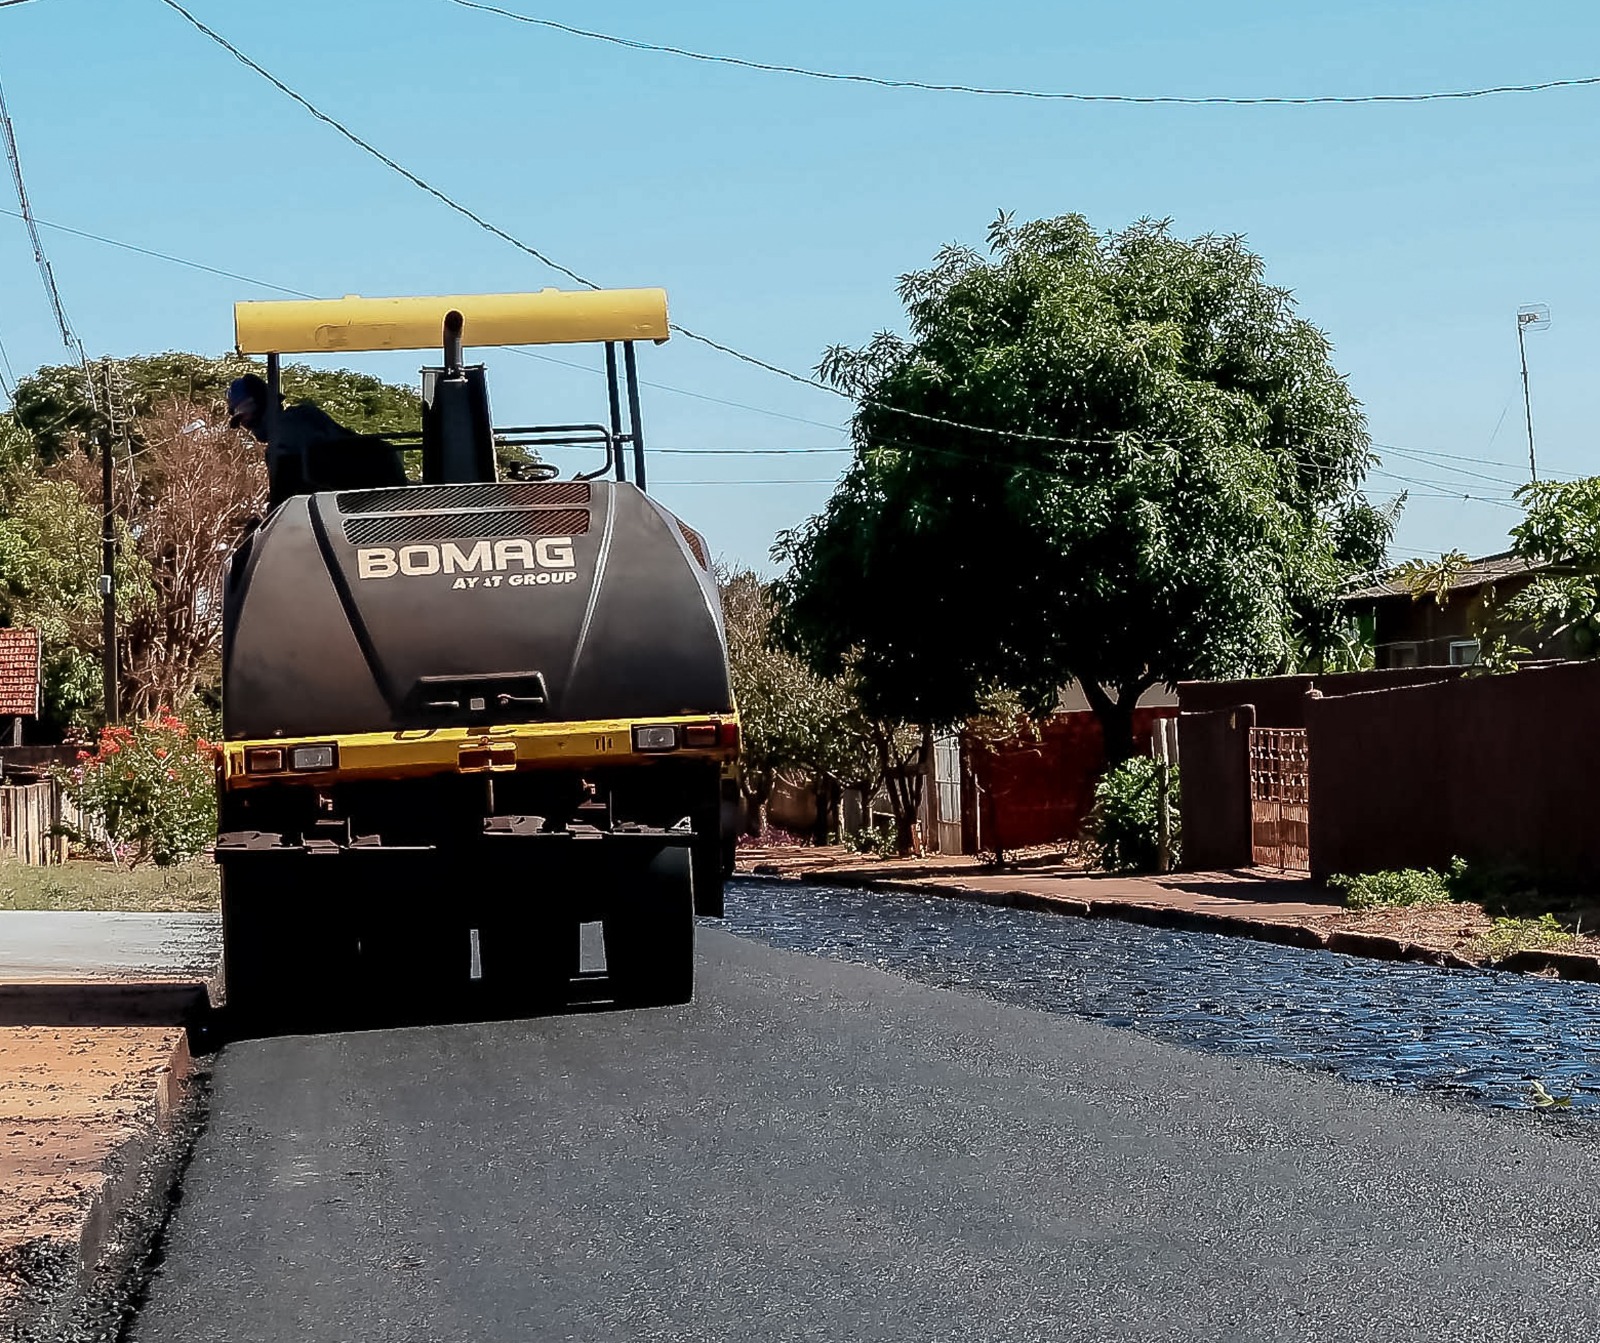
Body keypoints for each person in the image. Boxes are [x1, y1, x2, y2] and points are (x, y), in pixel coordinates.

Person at [226, 373, 406, 506]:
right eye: (241, 421)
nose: (246, 425)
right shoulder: (306, 415)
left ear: (261, 404)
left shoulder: (283, 440)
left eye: (246, 416)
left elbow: (284, 503)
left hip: (353, 504)